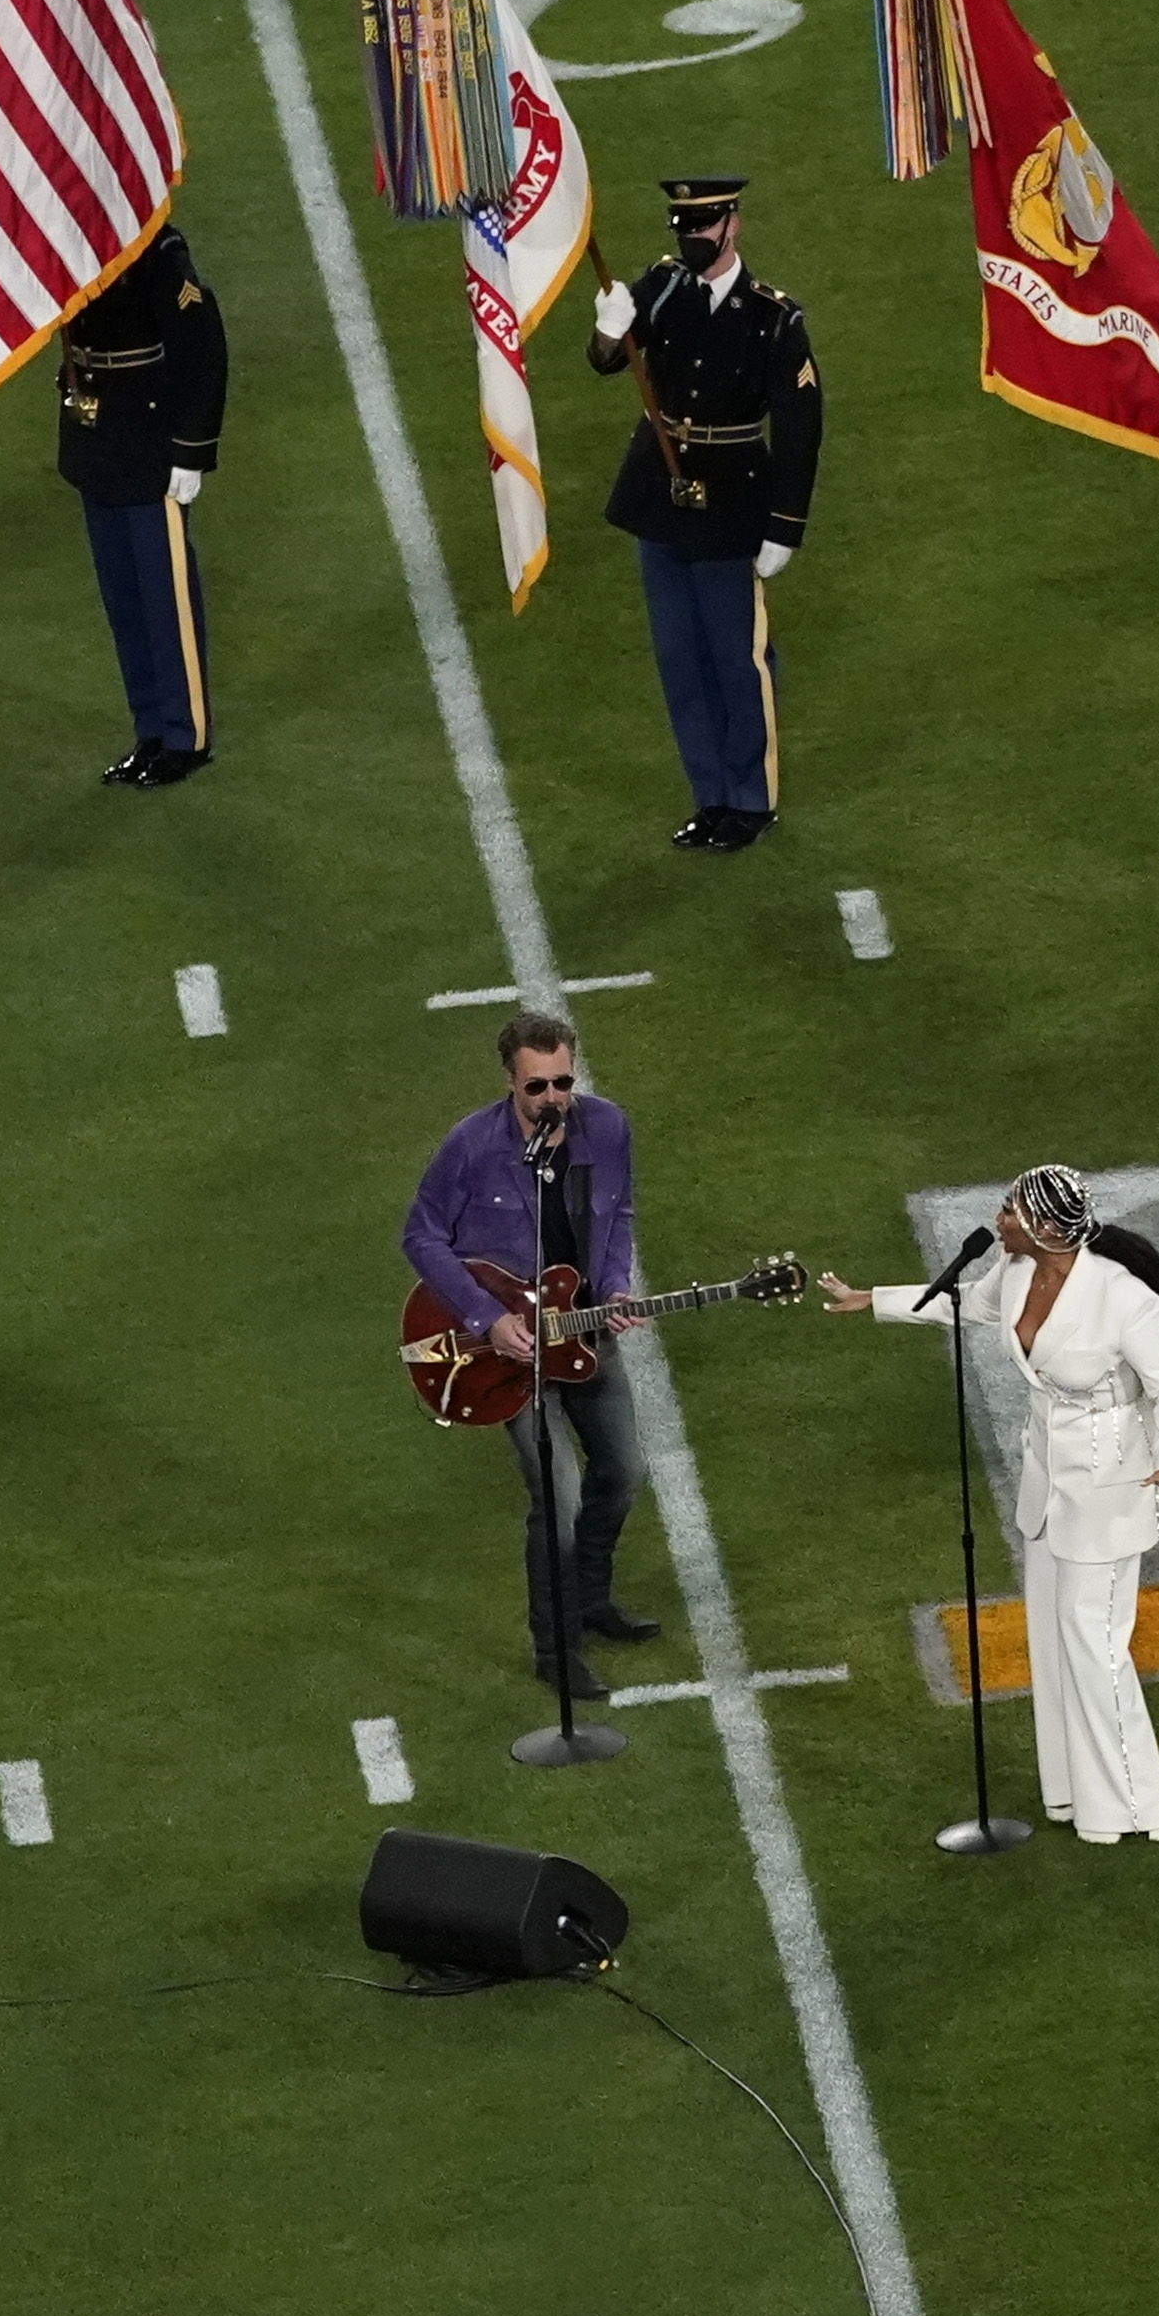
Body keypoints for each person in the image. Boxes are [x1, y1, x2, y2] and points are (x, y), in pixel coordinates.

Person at [823, 1166, 1159, 1845]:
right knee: (1054, 1644)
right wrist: (871, 1299)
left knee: (1097, 1648)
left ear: (1047, 1228)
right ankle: (1071, 1796)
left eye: (1009, 1211)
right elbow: (963, 1301)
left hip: (1114, 1489)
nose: (998, 1220)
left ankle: (1134, 1809)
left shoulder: (1124, 1299)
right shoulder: (1018, 1273)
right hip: (1049, 1484)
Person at [401, 1011, 657, 1689]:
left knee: (622, 1472)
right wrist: (487, 1319)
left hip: (583, 1331)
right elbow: (422, 1236)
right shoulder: (471, 1146)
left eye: (563, 1081)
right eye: (537, 1087)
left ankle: (591, 1600)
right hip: (508, 1352)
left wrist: (616, 1284)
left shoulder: (608, 1128)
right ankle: (556, 1650)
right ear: (510, 1082)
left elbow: (618, 1213)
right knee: (558, 1494)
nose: (553, 1098)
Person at [588, 176, 823, 850]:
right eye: (683, 231)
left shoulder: (774, 318)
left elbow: (801, 426)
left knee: (735, 657)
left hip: (730, 498)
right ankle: (710, 793)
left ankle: (750, 800)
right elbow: (610, 359)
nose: (692, 242)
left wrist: (785, 525)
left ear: (731, 227)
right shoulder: (660, 287)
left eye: (703, 229)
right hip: (659, 494)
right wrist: (608, 331)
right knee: (679, 658)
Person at [59, 221, 228, 786]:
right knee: (124, 600)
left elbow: (201, 345)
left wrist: (191, 450)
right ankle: (150, 730)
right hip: (99, 441)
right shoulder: (69, 236)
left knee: (164, 598)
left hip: (148, 442)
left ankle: (185, 737)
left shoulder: (157, 250)